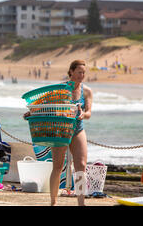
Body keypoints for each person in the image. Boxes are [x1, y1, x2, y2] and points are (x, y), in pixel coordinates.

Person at [24, 59, 92, 206]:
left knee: (81, 164)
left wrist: (82, 114)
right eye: (79, 72)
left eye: (84, 72)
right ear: (71, 72)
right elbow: (42, 104)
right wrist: (31, 113)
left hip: (78, 129)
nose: (82, 75)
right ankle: (53, 202)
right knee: (58, 165)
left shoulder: (87, 91)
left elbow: (89, 113)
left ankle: (81, 203)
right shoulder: (61, 89)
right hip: (60, 129)